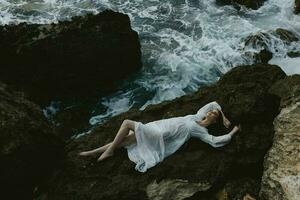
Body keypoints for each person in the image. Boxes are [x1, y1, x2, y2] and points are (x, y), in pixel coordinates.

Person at [79, 101, 242, 172]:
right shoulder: (197, 116)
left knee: (127, 123)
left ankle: (108, 151)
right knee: (126, 139)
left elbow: (214, 141)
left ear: (214, 122)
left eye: (214, 114)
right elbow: (214, 103)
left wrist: (233, 132)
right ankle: (95, 152)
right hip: (156, 125)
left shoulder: (201, 131)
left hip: (160, 134)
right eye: (211, 112)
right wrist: (223, 115)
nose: (211, 111)